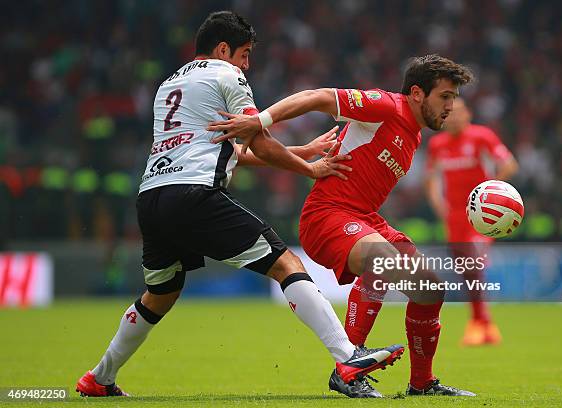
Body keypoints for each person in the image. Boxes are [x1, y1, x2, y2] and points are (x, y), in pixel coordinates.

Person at [75, 11, 404, 398]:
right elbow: (258, 140)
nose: (246, 64)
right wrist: (310, 168)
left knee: (160, 294)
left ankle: (100, 377)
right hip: (194, 195)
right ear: (223, 48)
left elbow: (225, 148)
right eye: (244, 54)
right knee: (287, 264)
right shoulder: (227, 75)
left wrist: (298, 150)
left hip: (152, 196)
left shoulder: (168, 85)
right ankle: (348, 356)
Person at [208, 54, 477, 397]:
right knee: (383, 259)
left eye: (454, 98)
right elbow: (318, 97)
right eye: (445, 96)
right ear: (417, 93)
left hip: (364, 219)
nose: (451, 106)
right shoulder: (385, 106)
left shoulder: (414, 136)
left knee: (429, 290)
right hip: (327, 216)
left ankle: (422, 384)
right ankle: (348, 368)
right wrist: (262, 120)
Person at [425, 97, 519, 346]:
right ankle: (483, 323)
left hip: (480, 216)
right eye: (449, 113)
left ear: (468, 114)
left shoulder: (481, 136)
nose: (453, 116)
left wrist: (491, 196)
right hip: (454, 216)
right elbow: (432, 178)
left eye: (458, 112)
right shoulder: (437, 144)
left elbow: (509, 165)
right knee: (466, 269)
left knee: (473, 260)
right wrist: (437, 202)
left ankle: (479, 323)